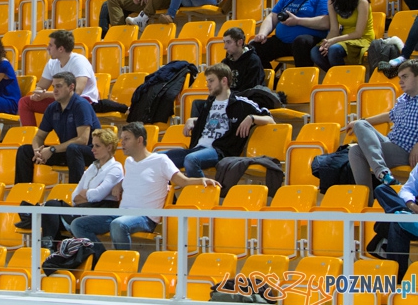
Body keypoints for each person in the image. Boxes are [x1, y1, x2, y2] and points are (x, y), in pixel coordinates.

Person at [70, 122, 221, 259]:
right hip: (123, 212)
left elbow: (181, 181)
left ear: (140, 140)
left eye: (127, 139)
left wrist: (201, 180)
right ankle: (102, 258)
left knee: (118, 225)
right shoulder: (129, 162)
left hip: (146, 216)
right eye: (122, 138)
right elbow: (136, 178)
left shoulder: (160, 160)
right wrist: (119, 184)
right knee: (78, 224)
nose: (122, 143)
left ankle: (124, 263)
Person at [162, 63, 274, 178]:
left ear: (224, 81)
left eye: (211, 81)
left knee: (191, 160)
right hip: (198, 148)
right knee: (157, 158)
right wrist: (193, 120)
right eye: (207, 81)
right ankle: (170, 195)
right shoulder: (209, 103)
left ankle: (203, 193)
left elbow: (270, 119)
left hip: (219, 151)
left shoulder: (241, 103)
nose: (208, 85)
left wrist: (252, 118)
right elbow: (213, 120)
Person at [21, 129, 123, 249]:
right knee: (52, 204)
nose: (92, 149)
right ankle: (50, 244)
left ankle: (50, 245)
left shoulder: (115, 168)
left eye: (97, 146)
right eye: (93, 145)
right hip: (84, 209)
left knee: (48, 212)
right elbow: (75, 197)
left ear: (109, 147)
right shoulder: (93, 166)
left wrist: (86, 194)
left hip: (100, 212)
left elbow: (98, 195)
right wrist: (85, 195)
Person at [347, 60, 418, 200]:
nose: (400, 82)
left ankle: (381, 172)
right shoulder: (403, 99)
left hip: (407, 149)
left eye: (405, 77)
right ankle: (366, 203)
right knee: (357, 138)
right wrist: (361, 121)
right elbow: (390, 115)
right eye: (399, 78)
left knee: (357, 151)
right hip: (391, 142)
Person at [15, 71, 101, 184]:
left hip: (92, 153)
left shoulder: (81, 105)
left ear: (71, 87)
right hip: (67, 152)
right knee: (24, 150)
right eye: (53, 86)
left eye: (59, 86)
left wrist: (52, 149)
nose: (54, 90)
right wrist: (37, 150)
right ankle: (22, 191)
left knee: (73, 148)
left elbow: (82, 140)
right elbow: (39, 136)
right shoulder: (52, 108)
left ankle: (75, 194)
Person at [249, 0, 332, 69]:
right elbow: (272, 16)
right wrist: (262, 34)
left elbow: (325, 22)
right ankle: (268, 81)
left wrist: (297, 21)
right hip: (283, 42)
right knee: (253, 49)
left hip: (307, 42)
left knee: (301, 42)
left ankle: (302, 80)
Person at [18, 30, 99, 127]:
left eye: (51, 45)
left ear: (61, 49)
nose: (47, 48)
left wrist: (46, 95)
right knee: (25, 102)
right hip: (60, 100)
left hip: (82, 101)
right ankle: (29, 138)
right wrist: (38, 93)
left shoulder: (79, 62)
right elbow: (41, 86)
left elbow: (77, 92)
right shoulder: (52, 63)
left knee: (70, 103)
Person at [310, 0, 375, 72]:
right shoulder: (332, 1)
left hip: (362, 38)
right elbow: (334, 30)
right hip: (343, 38)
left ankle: (344, 77)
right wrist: (326, 43)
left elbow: (358, 33)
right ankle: (336, 75)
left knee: (334, 50)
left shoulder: (361, 1)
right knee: (316, 52)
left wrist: (334, 41)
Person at [371, 164, 418, 281]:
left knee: (396, 222)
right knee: (381, 189)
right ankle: (403, 211)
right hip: (414, 214)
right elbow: (407, 190)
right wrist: (411, 204)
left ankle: (397, 278)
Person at [222, 27, 265, 92]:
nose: (225, 47)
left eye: (228, 42)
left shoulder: (253, 61)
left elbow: (249, 89)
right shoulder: (225, 62)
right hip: (230, 98)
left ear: (240, 42)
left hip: (246, 99)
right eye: (224, 42)